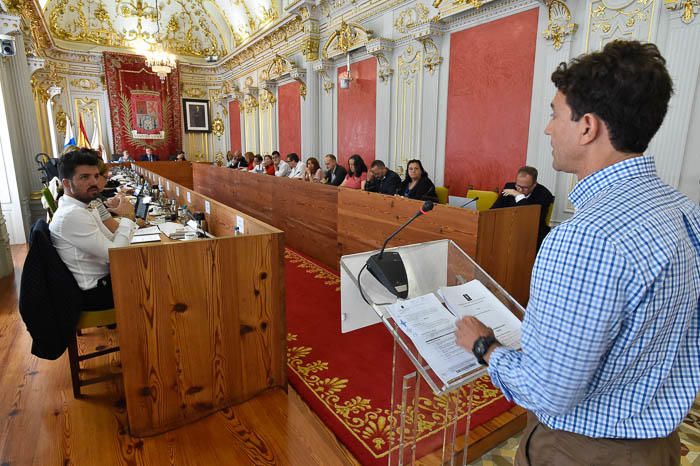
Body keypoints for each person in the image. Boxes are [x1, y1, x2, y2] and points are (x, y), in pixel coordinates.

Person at [455, 40, 699, 466]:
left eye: (553, 114)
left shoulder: (584, 237)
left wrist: (484, 347)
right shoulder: (684, 210)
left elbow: (546, 389)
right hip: (659, 444)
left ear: (587, 127)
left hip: (584, 448)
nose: (548, 128)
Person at [49, 149, 138, 311]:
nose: (94, 182)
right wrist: (127, 218)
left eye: (96, 176)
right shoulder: (72, 215)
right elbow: (116, 254)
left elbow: (111, 238)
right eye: (84, 177)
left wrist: (126, 223)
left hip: (105, 280)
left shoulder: (83, 205)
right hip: (95, 293)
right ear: (67, 183)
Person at [491, 166, 554, 246]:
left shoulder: (544, 194)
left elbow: (532, 219)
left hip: (532, 236)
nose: (520, 190)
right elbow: (494, 209)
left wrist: (519, 196)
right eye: (518, 186)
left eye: (525, 188)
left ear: (534, 185)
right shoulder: (509, 187)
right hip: (508, 230)